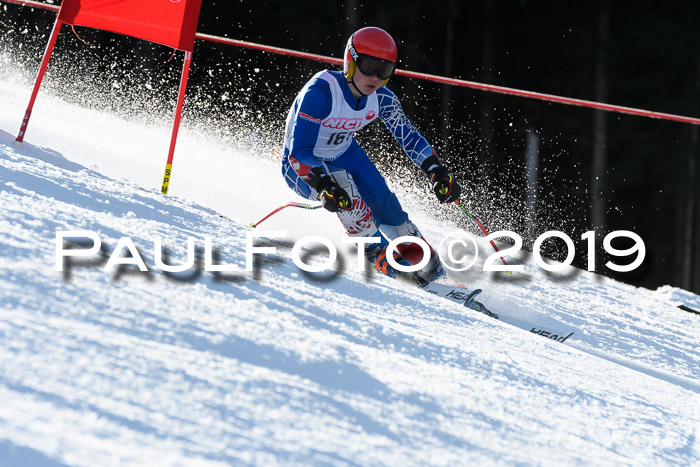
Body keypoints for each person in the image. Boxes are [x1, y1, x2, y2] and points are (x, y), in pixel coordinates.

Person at [281, 26, 462, 280]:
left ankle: (430, 270)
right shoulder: (320, 93)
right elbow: (298, 152)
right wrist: (323, 184)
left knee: (387, 206)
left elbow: (408, 136)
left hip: (344, 152)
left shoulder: (382, 98)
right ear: (351, 61)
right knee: (348, 196)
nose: (375, 78)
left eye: (385, 70)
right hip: (301, 166)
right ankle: (384, 258)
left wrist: (436, 170)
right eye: (368, 66)